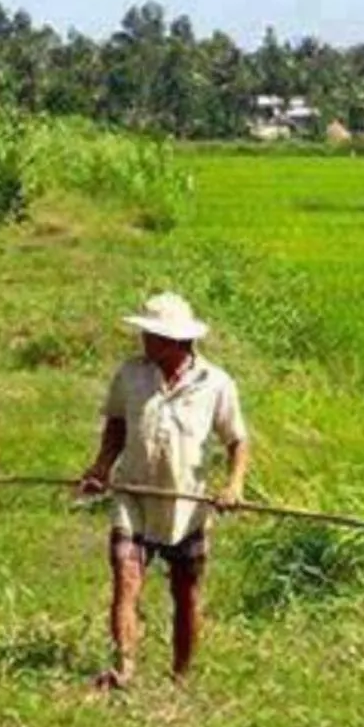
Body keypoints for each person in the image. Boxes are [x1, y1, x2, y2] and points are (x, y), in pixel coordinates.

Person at [78, 293, 250, 690]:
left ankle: (181, 676)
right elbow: (116, 427)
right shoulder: (131, 375)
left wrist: (233, 485)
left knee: (186, 592)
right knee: (126, 576)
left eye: (152, 335)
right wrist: (101, 467)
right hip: (133, 493)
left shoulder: (215, 383)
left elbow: (237, 441)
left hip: (186, 504)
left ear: (176, 341)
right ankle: (125, 668)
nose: (144, 341)